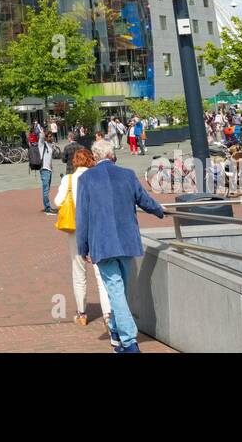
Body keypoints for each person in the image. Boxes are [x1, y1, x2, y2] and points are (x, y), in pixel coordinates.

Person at [76, 140, 166, 353]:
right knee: (120, 292)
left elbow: (82, 217)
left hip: (103, 244)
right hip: (126, 242)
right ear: (112, 155)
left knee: (116, 293)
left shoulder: (86, 179)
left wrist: (83, 248)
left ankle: (127, 340)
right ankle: (120, 334)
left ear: (95, 157)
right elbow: (144, 200)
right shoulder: (127, 174)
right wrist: (160, 211)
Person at [54, 146, 112, 329]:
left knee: (78, 271)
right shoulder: (97, 176)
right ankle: (108, 314)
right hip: (96, 227)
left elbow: (56, 203)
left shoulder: (68, 179)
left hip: (75, 229)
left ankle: (81, 313)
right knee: (101, 272)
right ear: (90, 160)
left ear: (74, 162)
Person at [39, 130, 55, 214]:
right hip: (44, 169)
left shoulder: (50, 145)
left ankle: (47, 206)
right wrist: (42, 132)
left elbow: (49, 157)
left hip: (49, 169)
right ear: (46, 137)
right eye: (49, 136)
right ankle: (47, 208)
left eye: (51, 136)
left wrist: (51, 166)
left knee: (47, 189)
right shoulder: (42, 145)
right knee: (45, 190)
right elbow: (41, 138)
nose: (51, 137)